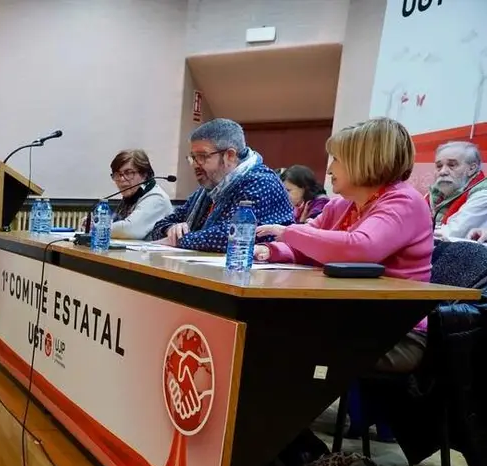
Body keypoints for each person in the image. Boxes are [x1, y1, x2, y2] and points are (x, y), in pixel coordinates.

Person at [255, 117, 431, 372]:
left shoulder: (404, 202)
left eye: (336, 159)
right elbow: (307, 245)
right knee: (267, 328)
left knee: (277, 337)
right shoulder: (341, 205)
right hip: (347, 317)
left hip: (395, 332)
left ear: (365, 160)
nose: (328, 170)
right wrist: (269, 251)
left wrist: (288, 233)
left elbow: (360, 248)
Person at [147, 119, 294, 251]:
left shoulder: (261, 182)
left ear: (229, 155)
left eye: (202, 157)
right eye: (193, 157)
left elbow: (231, 235)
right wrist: (172, 229)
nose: (195, 165)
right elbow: (161, 225)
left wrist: (180, 240)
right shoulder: (208, 190)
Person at [102, 150, 174, 239]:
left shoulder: (157, 198)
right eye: (117, 174)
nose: (121, 179)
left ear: (144, 174)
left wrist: (97, 227)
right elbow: (115, 223)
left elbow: (129, 230)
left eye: (128, 173)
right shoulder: (131, 197)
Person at [429, 141, 487, 241]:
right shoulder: (435, 193)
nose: (443, 172)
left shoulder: (483, 194)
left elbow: (452, 233)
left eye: (452, 165)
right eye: (439, 166)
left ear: (471, 169)